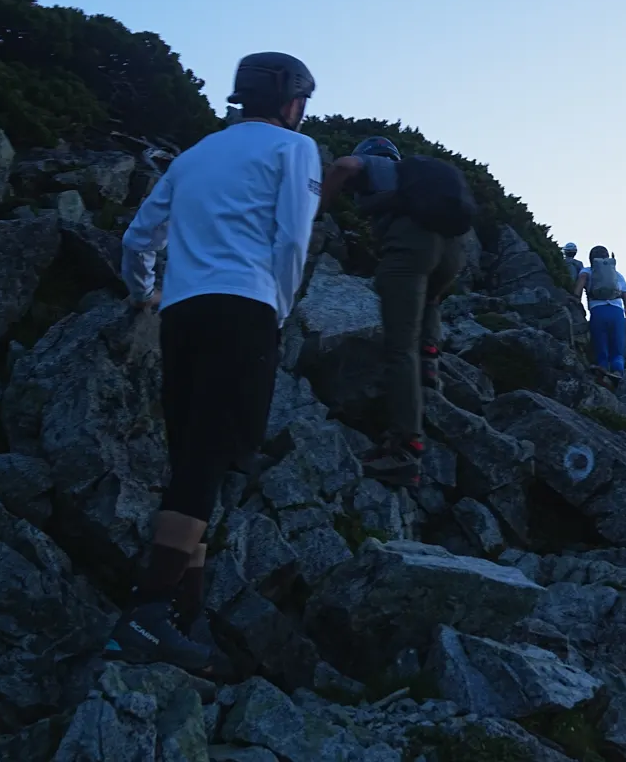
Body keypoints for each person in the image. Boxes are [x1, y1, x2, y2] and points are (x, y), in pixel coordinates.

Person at [108, 51, 321, 672]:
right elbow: (292, 238)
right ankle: (146, 617)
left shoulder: (194, 154)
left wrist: (143, 289)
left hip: (182, 313)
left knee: (191, 461)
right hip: (245, 307)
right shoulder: (294, 150)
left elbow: (136, 237)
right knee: (212, 456)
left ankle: (184, 616)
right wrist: (276, 307)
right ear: (291, 100)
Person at [320, 135, 474, 487]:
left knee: (398, 345)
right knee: (430, 299)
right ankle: (430, 362)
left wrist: (320, 206)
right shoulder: (415, 179)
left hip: (410, 244)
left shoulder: (376, 164)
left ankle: (405, 447)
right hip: (452, 252)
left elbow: (344, 166)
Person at [573, 245, 626, 377]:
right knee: (618, 349)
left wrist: (575, 297)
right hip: (617, 313)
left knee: (601, 344)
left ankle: (603, 369)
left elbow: (581, 281)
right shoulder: (617, 275)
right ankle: (617, 372)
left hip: (598, 311)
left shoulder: (587, 271)